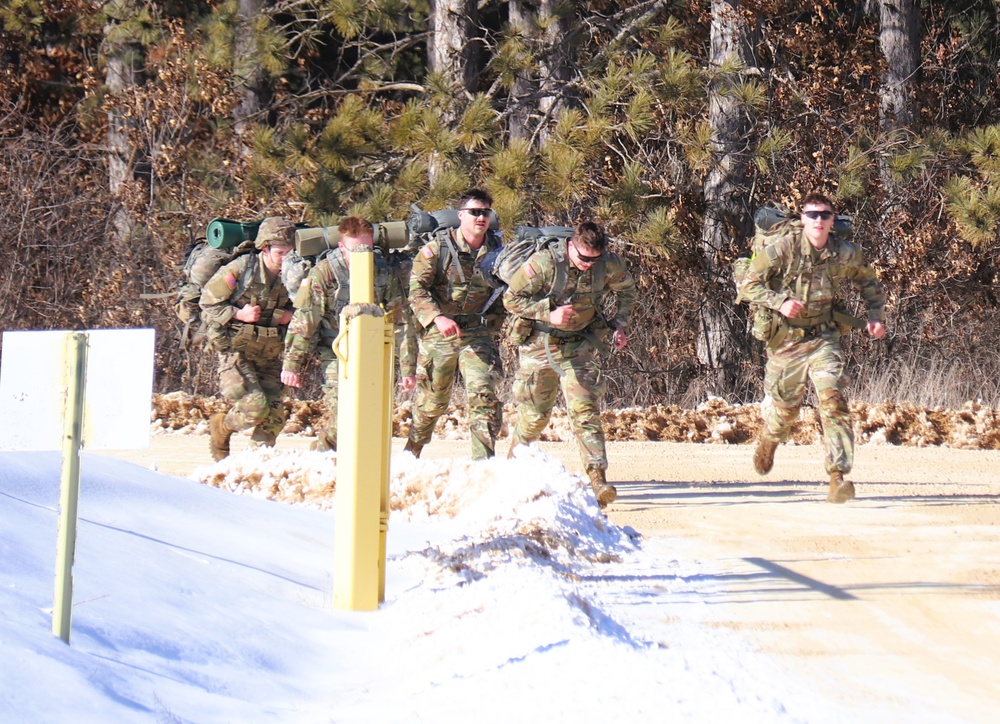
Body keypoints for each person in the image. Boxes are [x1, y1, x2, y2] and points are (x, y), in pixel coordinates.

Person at [739, 191, 887, 503]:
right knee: (787, 411)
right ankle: (769, 440)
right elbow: (748, 285)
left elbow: (869, 285)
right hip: (786, 339)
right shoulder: (782, 249)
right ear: (802, 218)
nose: (818, 221)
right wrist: (780, 302)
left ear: (833, 220)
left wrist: (874, 317)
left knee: (832, 400)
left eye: (825, 215)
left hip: (824, 337)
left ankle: (837, 477)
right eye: (812, 215)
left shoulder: (845, 252)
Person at [503, 221, 637, 509]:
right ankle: (512, 466)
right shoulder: (545, 263)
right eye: (583, 258)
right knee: (536, 415)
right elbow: (511, 299)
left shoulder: (607, 264)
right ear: (571, 246)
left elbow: (628, 290)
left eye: (595, 259)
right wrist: (547, 314)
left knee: (584, 410)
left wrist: (620, 324)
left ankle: (597, 478)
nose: (589, 264)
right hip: (541, 343)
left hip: (580, 344)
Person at [280, 216, 416, 450]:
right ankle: (325, 454)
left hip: (370, 348)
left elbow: (400, 321)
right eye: (356, 250)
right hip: (334, 348)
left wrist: (408, 368)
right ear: (341, 247)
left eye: (368, 248)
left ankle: (327, 450)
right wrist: (292, 364)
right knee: (344, 406)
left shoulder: (382, 273)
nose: (363, 255)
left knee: (369, 410)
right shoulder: (324, 273)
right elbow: (306, 321)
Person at [404, 188, 504, 460]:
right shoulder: (437, 249)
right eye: (474, 212)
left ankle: (483, 464)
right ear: (461, 215)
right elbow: (415, 289)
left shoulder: (498, 251)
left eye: (485, 212)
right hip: (440, 333)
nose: (480, 217)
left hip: (477, 332)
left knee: (483, 394)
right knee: (432, 403)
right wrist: (437, 317)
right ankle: (411, 454)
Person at [200, 216, 297, 461]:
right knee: (255, 407)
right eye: (280, 253)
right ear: (265, 249)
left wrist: (291, 316)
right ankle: (222, 426)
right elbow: (208, 303)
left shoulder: (296, 274)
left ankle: (253, 463)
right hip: (237, 351)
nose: (286, 258)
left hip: (270, 352)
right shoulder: (242, 269)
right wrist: (238, 313)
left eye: (290, 252)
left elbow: (310, 309)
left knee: (275, 416)